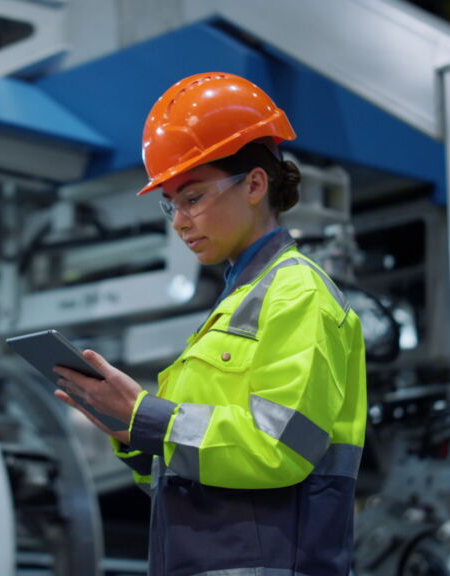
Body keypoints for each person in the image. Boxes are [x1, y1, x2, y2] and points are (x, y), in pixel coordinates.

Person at [52, 72, 367, 576]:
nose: (179, 220)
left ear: (255, 185)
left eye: (193, 197)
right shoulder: (238, 305)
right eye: (171, 203)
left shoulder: (296, 294)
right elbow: (196, 479)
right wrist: (131, 430)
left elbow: (278, 449)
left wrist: (148, 417)